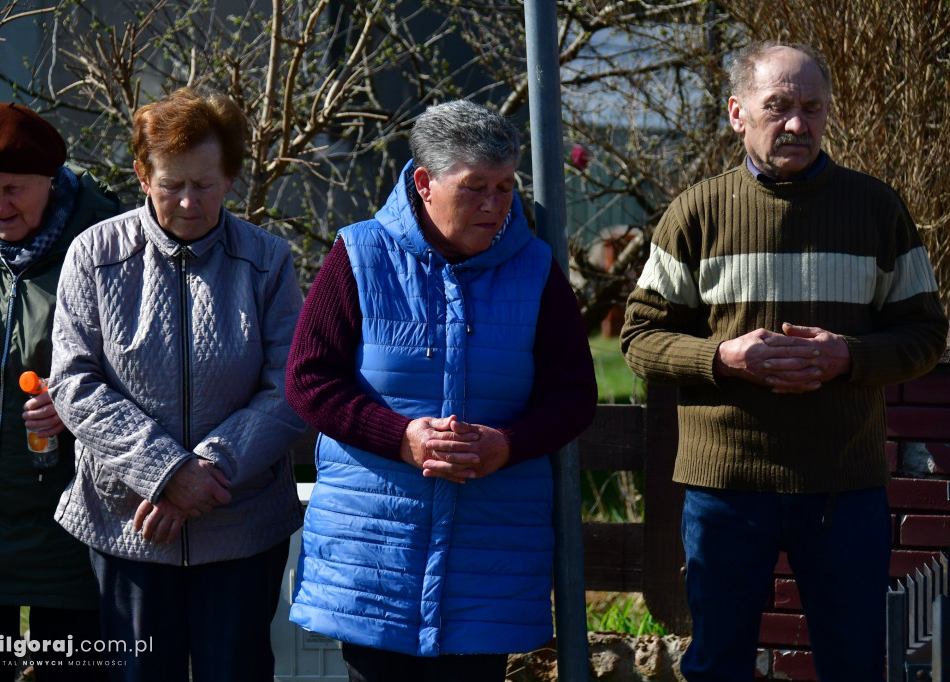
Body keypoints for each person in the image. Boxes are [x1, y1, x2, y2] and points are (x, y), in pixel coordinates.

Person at [620, 40, 949, 682]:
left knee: (853, 663)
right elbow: (638, 340)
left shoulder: (877, 210)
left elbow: (925, 335)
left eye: (811, 107)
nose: (797, 123)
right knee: (718, 665)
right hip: (725, 488)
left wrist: (847, 358)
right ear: (738, 113)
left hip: (843, 484)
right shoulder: (695, 213)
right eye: (778, 107)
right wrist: (724, 358)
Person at [286, 100, 598, 682]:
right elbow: (308, 379)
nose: (494, 205)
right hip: (374, 555)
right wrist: (400, 436)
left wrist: (506, 445)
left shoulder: (536, 268)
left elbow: (575, 393)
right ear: (425, 183)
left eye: (505, 187)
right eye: (475, 187)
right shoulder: (359, 254)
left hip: (491, 558)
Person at [48, 88, 305, 682]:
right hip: (129, 524)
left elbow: (291, 385)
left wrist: (204, 474)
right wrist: (165, 474)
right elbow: (73, 380)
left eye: (205, 184)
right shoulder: (95, 254)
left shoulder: (267, 260)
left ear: (232, 178)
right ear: (142, 174)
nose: (189, 201)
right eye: (171, 184)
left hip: (238, 526)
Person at [0, 102, 121, 681]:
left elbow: (147, 374)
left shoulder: (110, 244)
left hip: (72, 532)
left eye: (14, 189)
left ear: (52, 180)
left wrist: (80, 399)